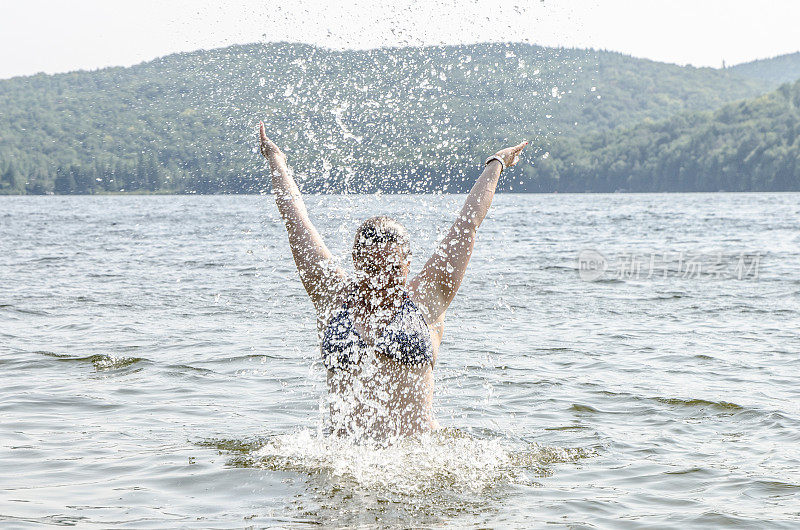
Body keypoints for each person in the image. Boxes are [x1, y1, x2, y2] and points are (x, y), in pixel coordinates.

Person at [259, 122, 527, 441]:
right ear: (356, 262)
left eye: (391, 267)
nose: (382, 278)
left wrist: (496, 163)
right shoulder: (333, 295)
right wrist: (276, 159)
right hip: (346, 457)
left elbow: (468, 223)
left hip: (416, 455)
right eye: (371, 267)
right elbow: (295, 220)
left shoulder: (428, 296)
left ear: (408, 263)